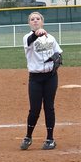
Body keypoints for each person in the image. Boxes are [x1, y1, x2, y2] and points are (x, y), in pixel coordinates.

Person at [20, 11, 63, 150]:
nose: (35, 20)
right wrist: (36, 33)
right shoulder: (27, 37)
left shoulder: (51, 38)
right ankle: (28, 137)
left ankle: (50, 139)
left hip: (51, 77)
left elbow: (58, 52)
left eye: (38, 18)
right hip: (35, 79)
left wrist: (57, 59)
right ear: (29, 23)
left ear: (42, 21)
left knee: (49, 107)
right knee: (35, 109)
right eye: (32, 19)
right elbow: (30, 41)